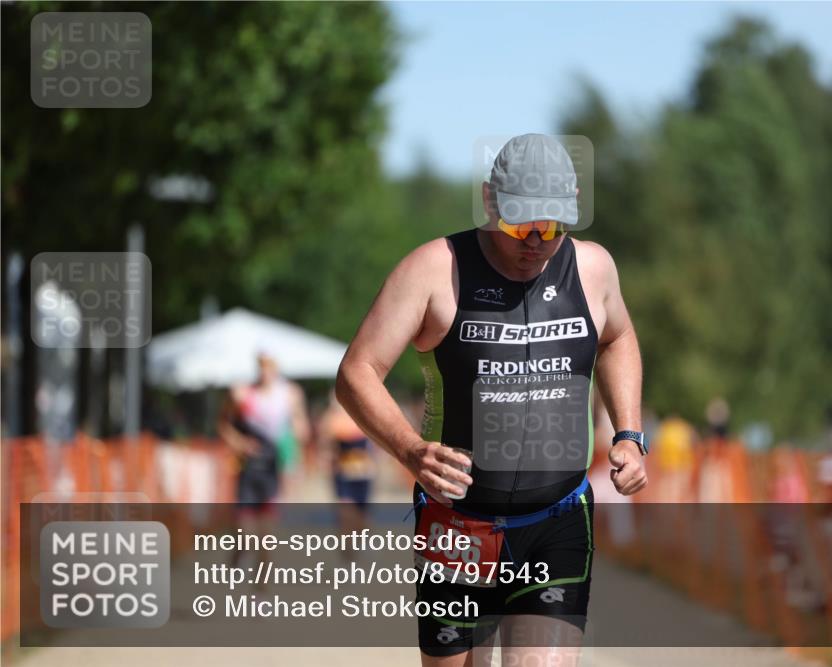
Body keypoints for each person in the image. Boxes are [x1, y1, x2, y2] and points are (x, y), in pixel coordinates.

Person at [336, 133, 647, 666]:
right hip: (459, 522)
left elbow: (617, 338)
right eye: (520, 224)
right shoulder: (434, 270)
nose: (535, 240)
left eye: (551, 226)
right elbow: (356, 372)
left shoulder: (593, 268)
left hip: (559, 517)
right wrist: (411, 450)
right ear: (489, 202)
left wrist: (629, 433)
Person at [217, 351, 309, 572]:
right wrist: (239, 442)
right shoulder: (242, 393)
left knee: (267, 538)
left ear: (277, 368)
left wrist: (296, 441)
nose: (265, 371)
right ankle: (237, 556)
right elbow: (223, 423)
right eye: (262, 366)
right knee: (244, 534)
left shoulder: (290, 394)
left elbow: (302, 430)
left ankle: (261, 592)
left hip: (273, 469)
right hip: (248, 469)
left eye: (270, 366)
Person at [320, 390, 375, 560]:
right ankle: (347, 555)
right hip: (343, 474)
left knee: (361, 517)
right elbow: (324, 445)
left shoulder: (365, 413)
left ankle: (359, 548)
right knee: (345, 513)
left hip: (363, 474)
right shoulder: (331, 419)